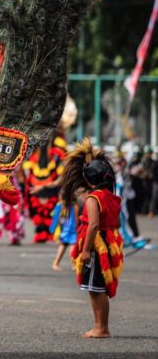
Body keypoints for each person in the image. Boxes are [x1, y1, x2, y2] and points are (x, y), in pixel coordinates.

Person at [60, 139, 123, 338]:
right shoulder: (111, 196)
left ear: (88, 180)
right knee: (95, 287)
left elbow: (93, 225)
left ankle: (101, 328)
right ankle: (99, 325)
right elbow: (118, 223)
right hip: (110, 240)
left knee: (96, 289)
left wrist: (86, 250)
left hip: (98, 245)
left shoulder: (93, 198)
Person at [50, 196, 80, 271]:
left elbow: (56, 217)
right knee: (71, 246)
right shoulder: (74, 205)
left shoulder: (60, 205)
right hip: (71, 229)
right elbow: (76, 218)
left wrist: (54, 229)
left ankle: (56, 263)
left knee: (63, 245)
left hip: (64, 229)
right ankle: (74, 265)